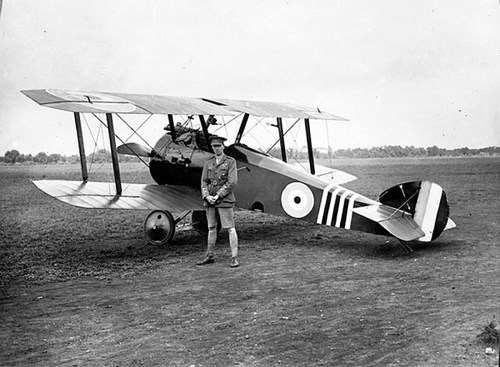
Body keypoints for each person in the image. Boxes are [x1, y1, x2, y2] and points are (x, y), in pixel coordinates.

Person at [197, 136, 239, 267]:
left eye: (218, 146)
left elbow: (232, 182)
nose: (216, 149)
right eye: (214, 146)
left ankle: (234, 258)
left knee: (230, 228)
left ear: (223, 146)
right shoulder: (208, 163)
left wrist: (218, 196)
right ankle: (209, 255)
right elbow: (204, 181)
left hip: (224, 199)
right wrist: (206, 196)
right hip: (210, 200)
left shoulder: (230, 162)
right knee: (211, 228)